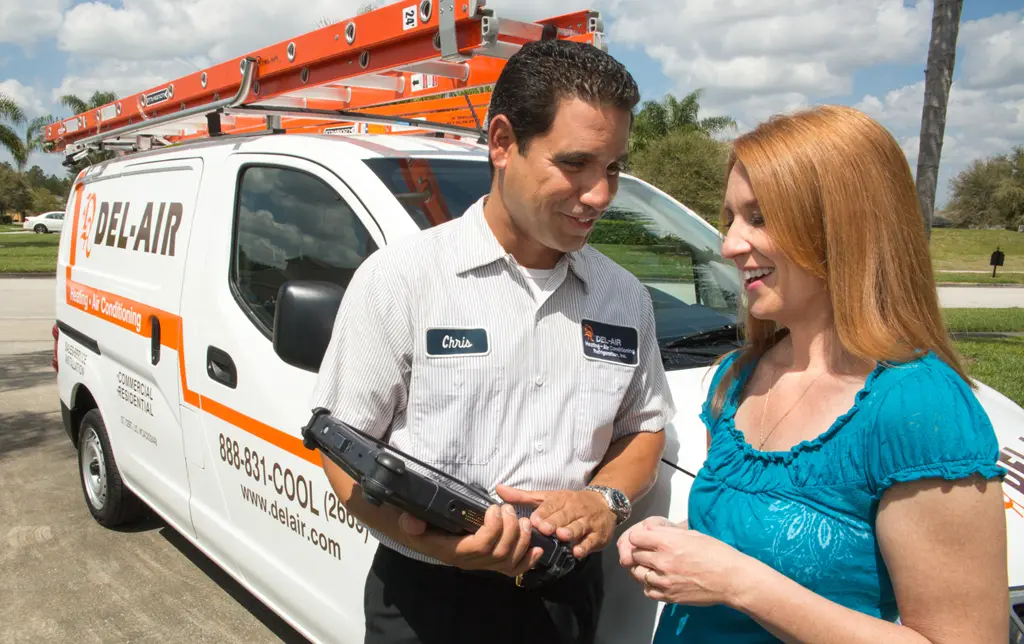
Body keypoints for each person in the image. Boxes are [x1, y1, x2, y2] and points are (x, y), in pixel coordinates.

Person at [310, 38, 675, 644]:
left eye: (611, 168)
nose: (602, 195)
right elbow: (344, 454)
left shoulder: (624, 298)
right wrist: (450, 549)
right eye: (576, 164)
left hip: (567, 599)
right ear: (503, 142)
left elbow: (645, 425)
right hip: (429, 604)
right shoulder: (401, 280)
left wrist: (605, 500)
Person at [618, 104, 1009, 642]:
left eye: (758, 217)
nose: (729, 244)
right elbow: (781, 546)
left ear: (841, 226)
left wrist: (736, 581)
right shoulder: (736, 377)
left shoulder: (918, 407)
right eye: (730, 217)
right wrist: (680, 546)